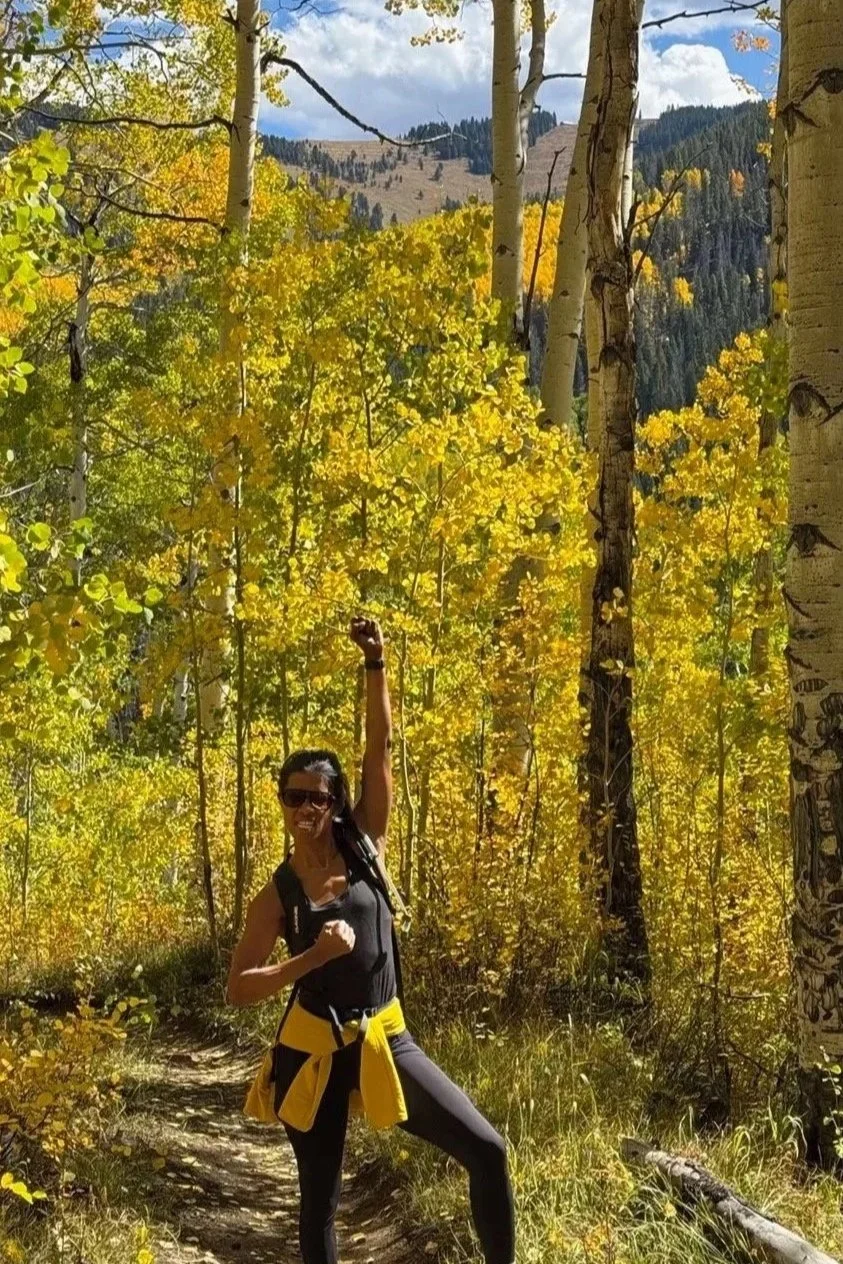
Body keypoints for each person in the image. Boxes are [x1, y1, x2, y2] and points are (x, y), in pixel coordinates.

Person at [226, 615, 516, 1264]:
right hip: (310, 1050)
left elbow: (379, 750)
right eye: (293, 797)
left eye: (318, 798)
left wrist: (375, 664)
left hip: (386, 1036)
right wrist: (311, 957)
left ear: (336, 802)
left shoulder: (365, 847)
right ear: (281, 803)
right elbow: (239, 989)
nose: (305, 809)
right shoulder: (277, 895)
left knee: (487, 1150)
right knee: (320, 1204)